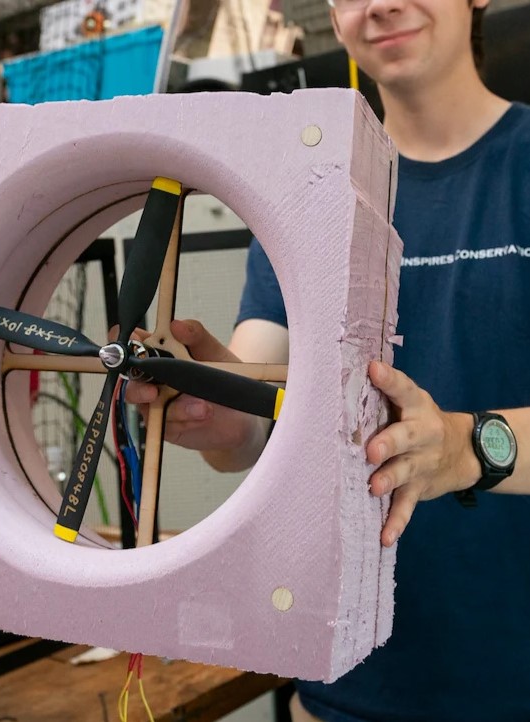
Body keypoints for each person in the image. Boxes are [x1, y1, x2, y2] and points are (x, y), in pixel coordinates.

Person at [128, 0, 530, 720]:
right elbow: (255, 420)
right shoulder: (315, 195)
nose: (379, 5)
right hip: (344, 691)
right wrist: (214, 406)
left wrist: (465, 448)